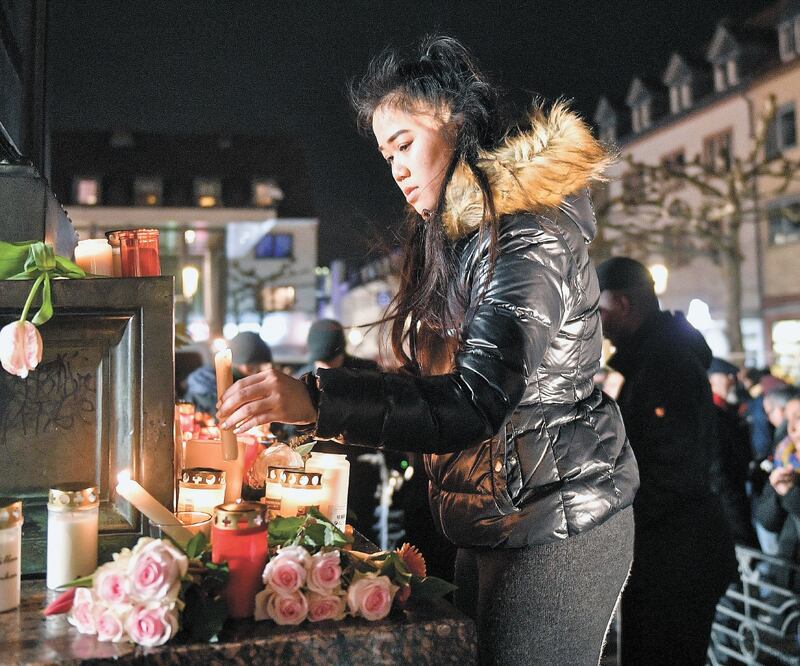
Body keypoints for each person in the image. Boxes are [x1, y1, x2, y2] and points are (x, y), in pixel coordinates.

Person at [218, 35, 638, 664]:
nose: (397, 169)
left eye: (405, 143)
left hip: (557, 520)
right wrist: (313, 411)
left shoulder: (527, 237)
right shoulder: (465, 242)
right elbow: (429, 392)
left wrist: (320, 401)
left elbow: (473, 399)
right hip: (495, 515)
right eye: (387, 155)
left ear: (458, 123)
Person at [596, 256, 736, 665]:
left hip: (677, 558)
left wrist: (617, 518)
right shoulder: (654, 359)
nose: (596, 319)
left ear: (624, 304)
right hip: (667, 551)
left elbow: (673, 467)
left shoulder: (666, 363)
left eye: (600, 307)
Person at [708, 357, 758, 547]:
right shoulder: (712, 415)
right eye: (727, 375)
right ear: (711, 380)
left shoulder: (727, 412)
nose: (732, 380)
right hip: (727, 502)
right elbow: (720, 472)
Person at [183, 331, 272, 414]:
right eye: (257, 367)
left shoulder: (241, 380)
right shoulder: (206, 384)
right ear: (246, 366)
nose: (261, 372)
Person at [296, 318, 380, 375]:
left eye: (330, 361)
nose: (325, 369)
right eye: (322, 361)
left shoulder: (367, 372)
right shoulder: (303, 381)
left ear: (341, 354)